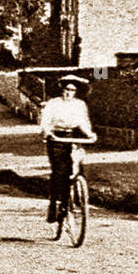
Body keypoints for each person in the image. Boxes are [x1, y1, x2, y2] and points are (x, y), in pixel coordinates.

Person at [39, 74, 95, 224]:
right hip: (56, 137)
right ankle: (55, 204)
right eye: (66, 89)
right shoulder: (53, 103)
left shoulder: (80, 104)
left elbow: (83, 122)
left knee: (77, 168)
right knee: (59, 171)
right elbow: (45, 121)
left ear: (76, 92)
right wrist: (48, 132)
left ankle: (76, 199)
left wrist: (90, 134)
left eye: (72, 90)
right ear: (62, 89)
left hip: (73, 136)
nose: (68, 93)